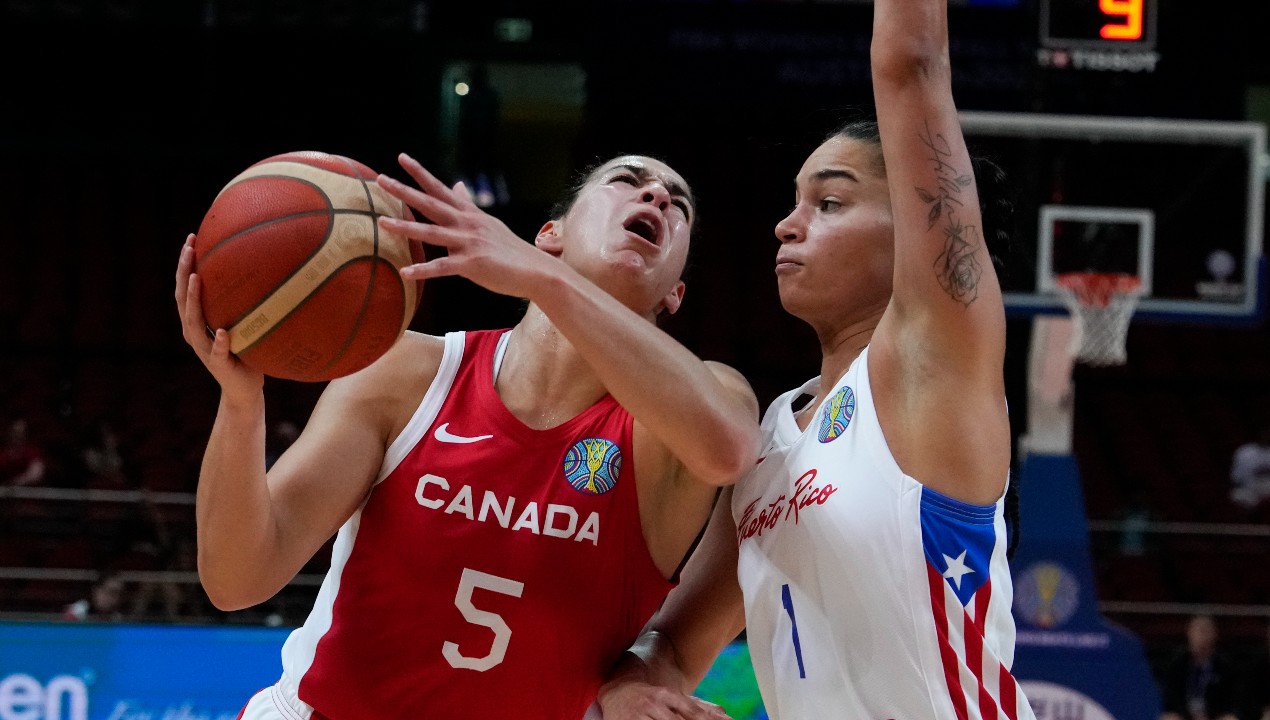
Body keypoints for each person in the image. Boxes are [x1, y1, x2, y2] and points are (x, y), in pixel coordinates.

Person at [175, 151, 761, 719]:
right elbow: (236, 579)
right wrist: (241, 404)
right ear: (549, 235)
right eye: (626, 181)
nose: (656, 195)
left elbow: (727, 450)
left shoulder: (699, 407)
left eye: (676, 204)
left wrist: (549, 283)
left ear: (675, 293)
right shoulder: (409, 373)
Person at [595, 0, 1035, 716]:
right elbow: (673, 649)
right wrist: (635, 687)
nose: (786, 223)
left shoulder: (929, 363)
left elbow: (911, 63)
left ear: (914, 235)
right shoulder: (772, 434)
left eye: (829, 202)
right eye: (795, 201)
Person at [1158, 615, 1243, 720]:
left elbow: (1232, 700)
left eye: (1206, 631)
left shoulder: (1225, 667)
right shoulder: (1177, 664)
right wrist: (1185, 715)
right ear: (1189, 634)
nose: (1202, 637)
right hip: (1184, 715)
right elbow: (1171, 698)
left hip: (1214, 715)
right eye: (1198, 631)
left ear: (1215, 635)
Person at [1230, 424, 1270, 510]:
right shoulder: (1244, 452)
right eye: (1263, 434)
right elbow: (1236, 477)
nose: (1266, 437)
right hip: (1251, 489)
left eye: (1268, 434)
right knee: (1236, 495)